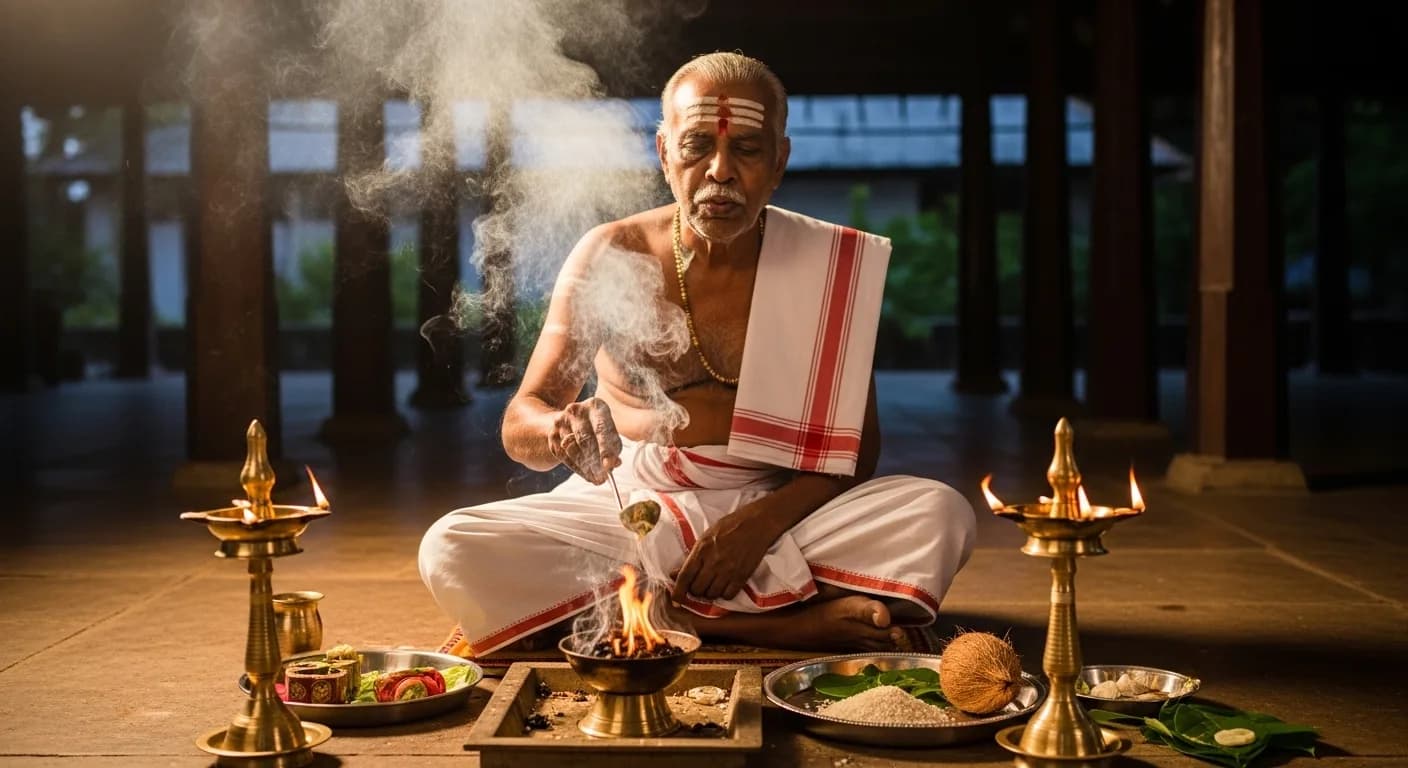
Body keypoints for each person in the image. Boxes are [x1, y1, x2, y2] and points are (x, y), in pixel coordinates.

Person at [420, 52, 976, 657]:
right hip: (631, 507)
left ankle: (650, 609)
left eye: (747, 149)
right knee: (452, 546)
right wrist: (559, 429)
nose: (720, 171)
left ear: (779, 161)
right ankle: (763, 624)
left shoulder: (827, 265)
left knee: (941, 514)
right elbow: (520, 419)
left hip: (775, 504)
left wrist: (760, 526)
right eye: (695, 148)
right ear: (664, 154)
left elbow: (855, 452)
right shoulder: (613, 253)